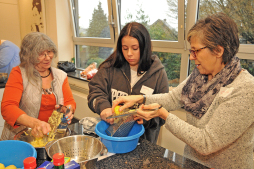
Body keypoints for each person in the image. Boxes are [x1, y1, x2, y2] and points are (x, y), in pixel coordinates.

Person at [112, 13, 254, 169]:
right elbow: (172, 98)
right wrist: (140, 99)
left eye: (196, 51)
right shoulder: (200, 76)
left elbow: (206, 142)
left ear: (218, 51)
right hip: (192, 163)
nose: (192, 57)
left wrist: (163, 114)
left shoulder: (245, 89)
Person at [88, 22, 169, 144]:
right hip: (111, 140)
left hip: (143, 145)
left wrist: (147, 119)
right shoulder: (109, 67)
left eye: (135, 48)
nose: (129, 53)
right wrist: (103, 107)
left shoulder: (158, 74)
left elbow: (164, 113)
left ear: (145, 47)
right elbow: (95, 91)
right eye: (125, 48)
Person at [1, 32, 76, 140]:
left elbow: (70, 102)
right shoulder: (18, 73)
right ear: (29, 56)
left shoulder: (61, 76)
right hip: (21, 137)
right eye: (41, 53)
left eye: (49, 52)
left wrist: (68, 110)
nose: (47, 57)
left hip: (51, 136)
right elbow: (8, 108)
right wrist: (35, 123)